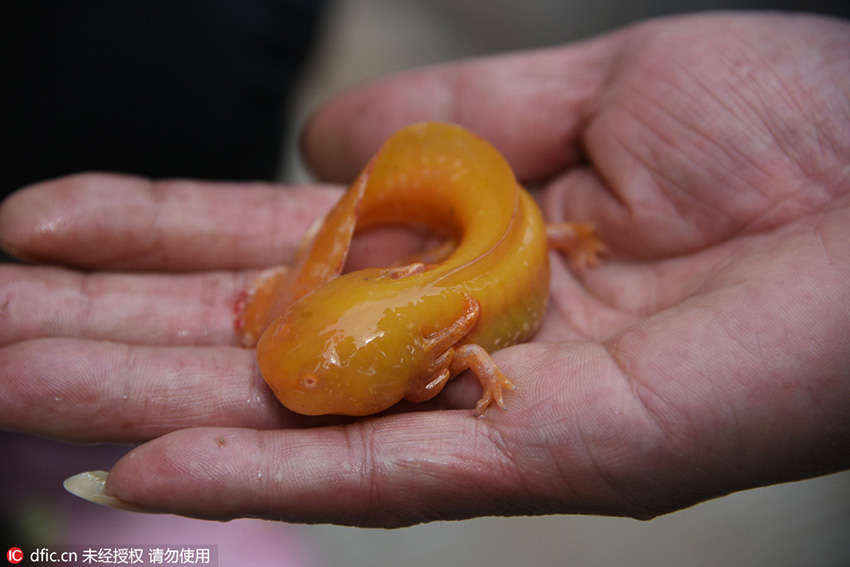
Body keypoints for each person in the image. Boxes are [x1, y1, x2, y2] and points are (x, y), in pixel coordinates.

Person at [1, 11, 848, 527]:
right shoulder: (408, 305)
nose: (290, 377)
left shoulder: (446, 346)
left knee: (529, 230)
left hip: (519, 238)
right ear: (384, 281)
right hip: (473, 242)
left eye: (316, 375)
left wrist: (493, 377)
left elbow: (473, 353)